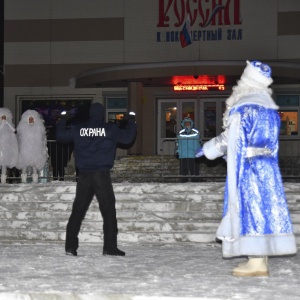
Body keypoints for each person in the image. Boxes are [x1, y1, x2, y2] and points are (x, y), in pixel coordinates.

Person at [195, 60, 297, 277]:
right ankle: (262, 258)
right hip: (268, 167)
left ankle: (256, 263)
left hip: (249, 167)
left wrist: (209, 149)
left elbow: (233, 140)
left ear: (247, 82)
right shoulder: (269, 108)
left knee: (251, 210)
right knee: (266, 210)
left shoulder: (244, 107)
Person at [55, 102, 137, 257]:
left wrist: (63, 120)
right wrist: (131, 121)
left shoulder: (79, 128)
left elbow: (60, 136)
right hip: (101, 175)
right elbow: (127, 138)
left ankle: (70, 247)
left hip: (84, 175)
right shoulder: (109, 129)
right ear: (102, 114)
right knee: (108, 212)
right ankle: (109, 247)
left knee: (77, 212)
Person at [16, 110, 49, 183]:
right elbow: (20, 139)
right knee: (24, 165)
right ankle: (23, 179)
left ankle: (35, 179)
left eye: (32, 119)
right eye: (29, 119)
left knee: (34, 164)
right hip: (25, 150)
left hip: (35, 150)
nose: (31, 120)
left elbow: (42, 139)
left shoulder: (38, 129)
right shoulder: (23, 129)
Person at [176, 117, 202, 182]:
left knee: (194, 171)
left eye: (188, 123)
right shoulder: (180, 133)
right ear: (183, 124)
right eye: (186, 123)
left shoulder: (196, 132)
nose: (187, 124)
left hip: (193, 155)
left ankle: (195, 184)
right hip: (183, 155)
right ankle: (184, 184)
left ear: (191, 123)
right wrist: (177, 151)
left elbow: (199, 142)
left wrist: (199, 152)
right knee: (183, 172)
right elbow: (177, 143)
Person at [0, 108, 18, 184]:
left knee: (4, 164)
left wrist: (7, 123)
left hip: (6, 148)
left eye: (5, 117)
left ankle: (3, 179)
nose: (3, 119)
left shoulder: (8, 126)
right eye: (2, 117)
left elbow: (14, 131)